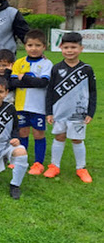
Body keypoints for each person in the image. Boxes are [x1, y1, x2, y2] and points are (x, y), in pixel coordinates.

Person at [44, 32, 96, 183]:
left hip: (78, 113)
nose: (70, 50)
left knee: (77, 139)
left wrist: (90, 112)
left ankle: (81, 168)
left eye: (73, 47)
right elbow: (50, 92)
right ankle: (54, 166)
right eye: (66, 47)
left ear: (81, 48)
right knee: (59, 137)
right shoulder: (56, 68)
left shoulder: (87, 69)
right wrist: (49, 112)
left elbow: (93, 91)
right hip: (59, 111)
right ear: (61, 48)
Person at [10, 29, 53, 175]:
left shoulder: (47, 64)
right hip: (21, 105)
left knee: (38, 134)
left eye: (37, 45)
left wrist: (25, 78)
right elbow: (13, 82)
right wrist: (32, 81)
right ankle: (21, 160)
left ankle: (38, 164)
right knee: (22, 133)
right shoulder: (19, 62)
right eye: (30, 45)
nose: (33, 48)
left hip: (38, 106)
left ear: (44, 47)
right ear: (25, 46)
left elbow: (43, 83)